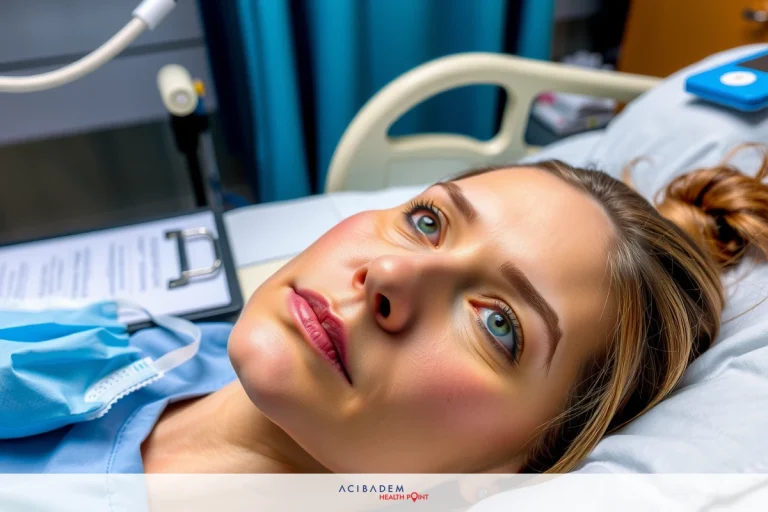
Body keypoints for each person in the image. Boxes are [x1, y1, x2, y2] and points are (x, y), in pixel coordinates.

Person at [2, 148, 767, 477]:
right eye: (430, 221)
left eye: (499, 323)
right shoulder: (155, 343)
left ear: (516, 465)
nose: (392, 273)